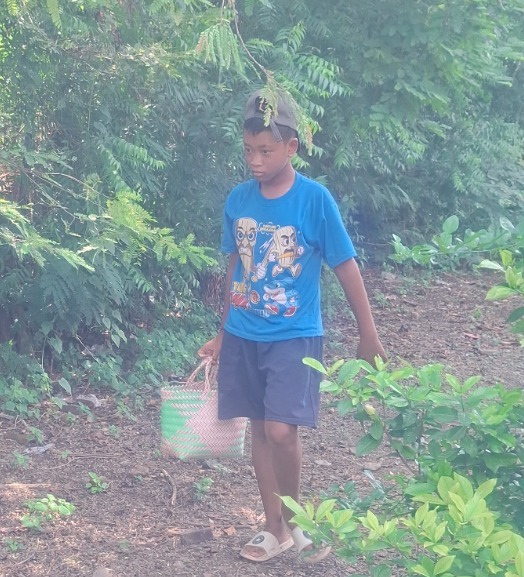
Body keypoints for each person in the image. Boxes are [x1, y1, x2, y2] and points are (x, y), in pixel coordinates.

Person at [198, 89, 386, 564]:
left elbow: (345, 265)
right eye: (248, 150)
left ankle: (298, 520)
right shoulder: (239, 200)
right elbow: (235, 269)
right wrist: (223, 332)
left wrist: (368, 333)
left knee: (282, 430)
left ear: (291, 147)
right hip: (244, 334)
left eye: (265, 151)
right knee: (260, 430)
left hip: (293, 336)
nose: (255, 161)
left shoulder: (314, 200)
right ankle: (274, 528)